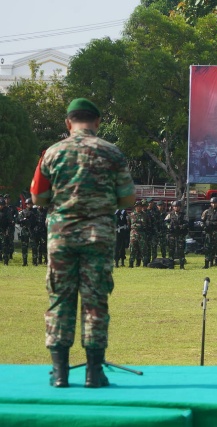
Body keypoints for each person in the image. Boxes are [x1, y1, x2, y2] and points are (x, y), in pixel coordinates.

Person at [30, 98, 135, 388]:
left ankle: (60, 372)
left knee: (60, 298)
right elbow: (128, 199)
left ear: (68, 123)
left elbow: (38, 197)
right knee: (95, 301)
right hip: (98, 237)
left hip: (61, 235)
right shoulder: (112, 153)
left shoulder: (52, 153)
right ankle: (94, 372)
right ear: (97, 122)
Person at [166, 200, 189, 269]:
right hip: (172, 235)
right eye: (175, 206)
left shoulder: (183, 215)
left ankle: (182, 266)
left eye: (177, 206)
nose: (176, 208)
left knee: (181, 250)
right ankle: (170, 265)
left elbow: (187, 223)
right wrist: (169, 226)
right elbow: (165, 222)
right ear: (173, 207)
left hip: (180, 235)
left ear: (180, 207)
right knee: (171, 250)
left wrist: (181, 226)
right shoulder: (170, 215)